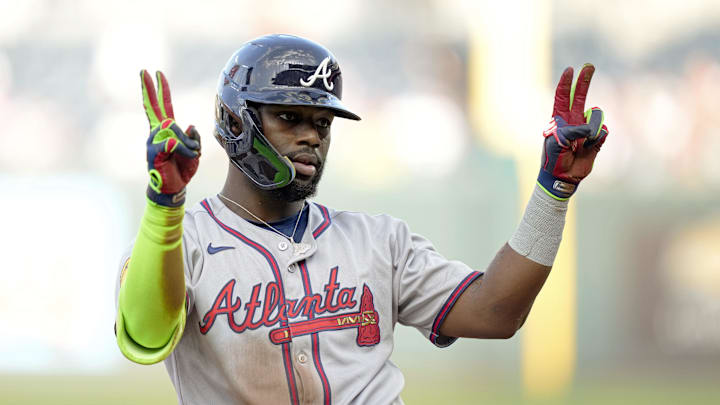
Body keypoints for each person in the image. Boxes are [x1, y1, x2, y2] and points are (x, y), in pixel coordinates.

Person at [114, 34, 608, 405]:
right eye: (290, 117)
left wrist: (554, 190)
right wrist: (165, 208)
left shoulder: (377, 241)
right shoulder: (187, 242)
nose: (312, 136)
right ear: (236, 121)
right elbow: (145, 337)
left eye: (322, 123)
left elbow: (495, 313)